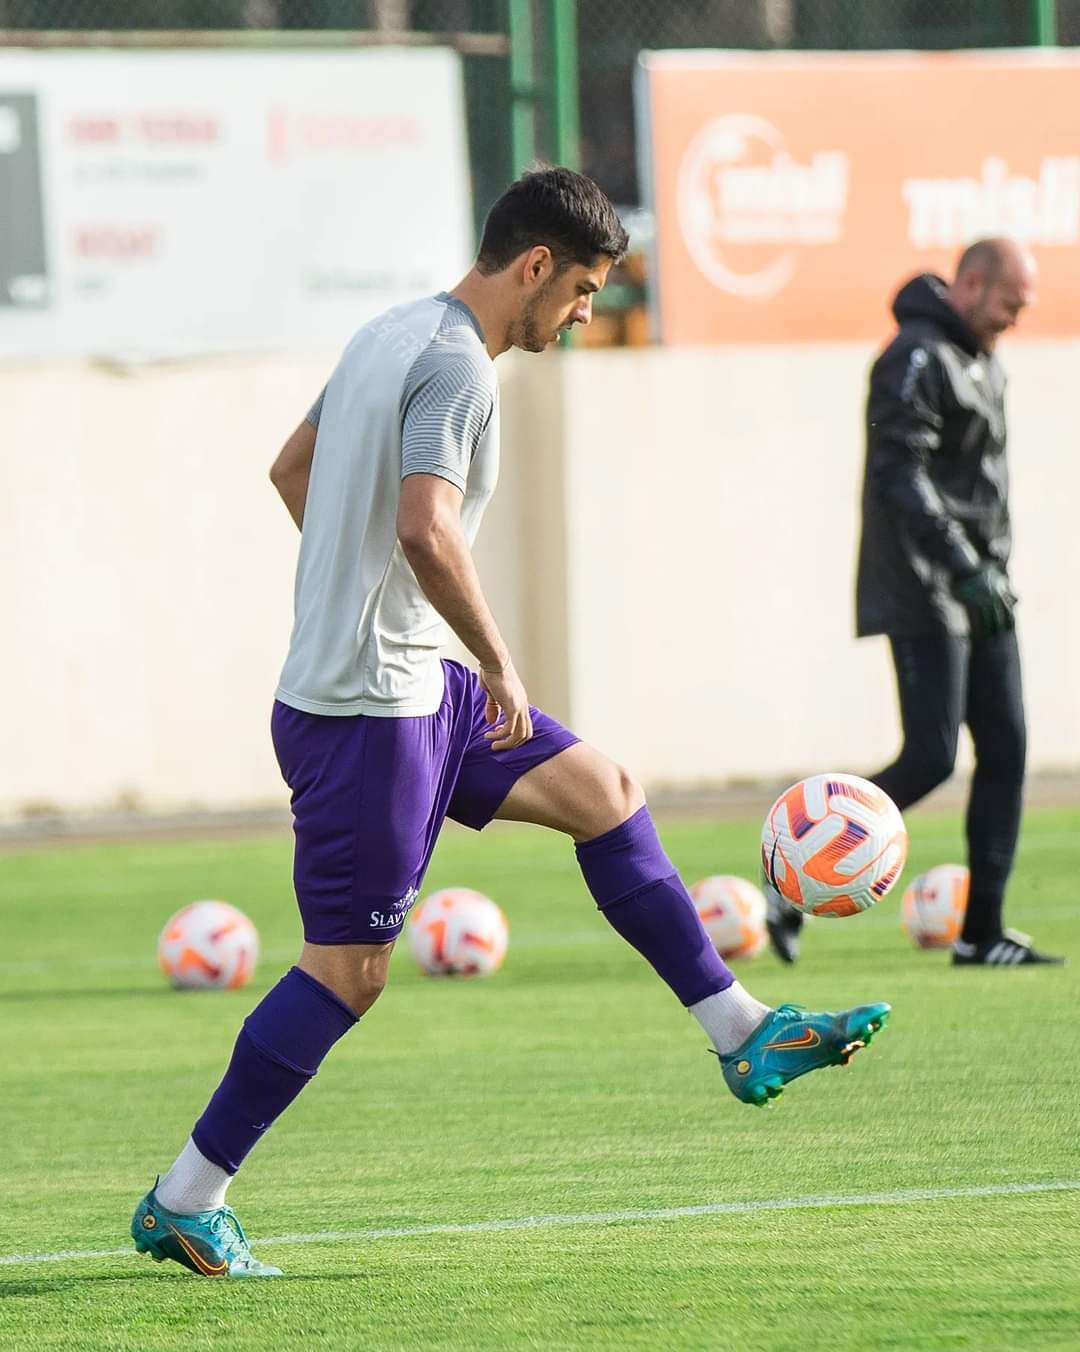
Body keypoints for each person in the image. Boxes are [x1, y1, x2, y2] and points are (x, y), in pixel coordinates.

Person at [131, 169, 890, 1279]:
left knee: (606, 794)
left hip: (411, 685)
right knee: (347, 972)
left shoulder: (388, 332)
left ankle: (742, 1030)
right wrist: (491, 656)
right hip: (370, 716)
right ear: (534, 266)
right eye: (580, 291)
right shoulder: (457, 367)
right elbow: (427, 527)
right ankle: (186, 1198)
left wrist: (363, 595)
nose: (582, 315)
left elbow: (293, 470)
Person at [767, 238, 1063, 970]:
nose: (1015, 319)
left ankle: (982, 934)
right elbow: (900, 473)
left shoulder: (981, 357)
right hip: (926, 582)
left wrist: (987, 568)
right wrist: (962, 564)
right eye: (1009, 304)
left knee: (1007, 748)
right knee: (932, 757)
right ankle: (790, 870)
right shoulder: (915, 356)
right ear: (971, 284)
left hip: (982, 582)